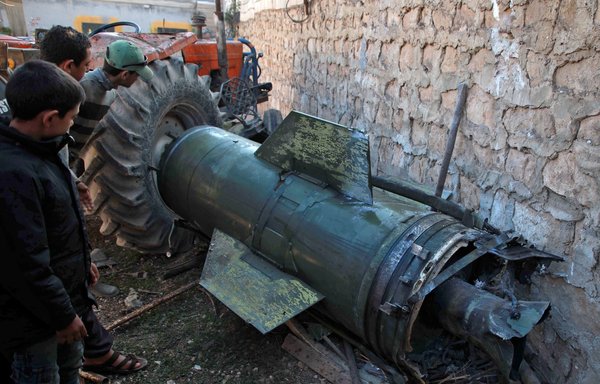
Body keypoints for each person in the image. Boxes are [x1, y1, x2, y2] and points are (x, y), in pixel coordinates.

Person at [39, 26, 147, 376]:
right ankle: (95, 350)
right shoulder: (84, 92)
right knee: (66, 271)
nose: (89, 69)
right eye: (84, 64)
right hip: (56, 183)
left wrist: (73, 177)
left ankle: (89, 347)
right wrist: (69, 178)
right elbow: (57, 146)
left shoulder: (87, 89)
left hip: (63, 174)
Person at [0, 59, 89, 383]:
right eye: (72, 119)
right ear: (50, 118)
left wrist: (84, 263)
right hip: (33, 323)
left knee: (69, 369)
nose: (71, 125)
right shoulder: (13, 174)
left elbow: (58, 225)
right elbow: (25, 264)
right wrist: (64, 317)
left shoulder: (39, 150)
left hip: (58, 301)